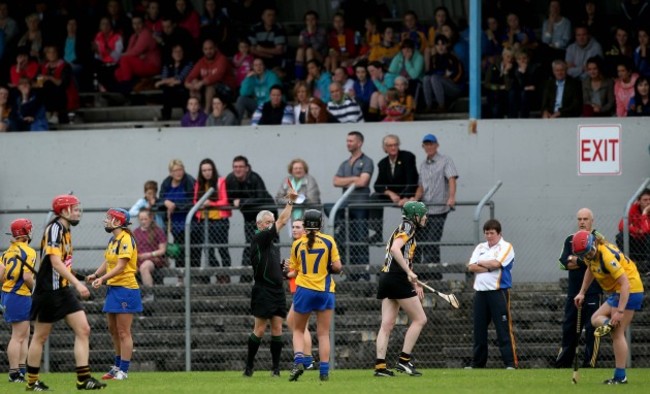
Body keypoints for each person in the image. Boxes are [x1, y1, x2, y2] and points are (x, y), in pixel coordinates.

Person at [26, 194, 106, 391]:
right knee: (40, 336)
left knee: (83, 329)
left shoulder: (66, 230)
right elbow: (54, 261)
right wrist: (77, 285)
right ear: (63, 211)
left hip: (61, 289)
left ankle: (83, 379)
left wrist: (79, 277)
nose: (78, 212)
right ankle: (32, 382)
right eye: (75, 209)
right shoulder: (55, 229)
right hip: (47, 291)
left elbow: (62, 264)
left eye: (79, 209)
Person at [573, 230, 645, 384]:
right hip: (618, 290)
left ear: (594, 244)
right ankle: (608, 325)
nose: (587, 256)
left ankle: (620, 377)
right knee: (595, 319)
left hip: (629, 289)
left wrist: (619, 312)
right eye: (583, 254)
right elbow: (590, 270)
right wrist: (582, 293)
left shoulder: (606, 256)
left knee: (617, 334)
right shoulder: (590, 255)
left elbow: (625, 283)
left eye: (588, 252)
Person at [243, 187, 297, 377]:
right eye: (269, 223)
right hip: (263, 290)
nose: (273, 225)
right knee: (259, 328)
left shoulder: (271, 246)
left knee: (277, 328)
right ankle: (249, 367)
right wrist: (290, 201)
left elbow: (271, 269)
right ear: (260, 225)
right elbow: (283, 220)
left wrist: (282, 269)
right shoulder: (259, 238)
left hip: (276, 290)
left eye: (272, 222)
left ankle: (276, 369)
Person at [374, 201, 428, 378]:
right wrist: (409, 272)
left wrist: (414, 282)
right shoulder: (408, 226)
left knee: (387, 325)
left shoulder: (403, 227)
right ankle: (404, 361)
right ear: (415, 216)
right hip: (397, 277)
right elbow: (396, 249)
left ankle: (380, 366)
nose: (426, 218)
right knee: (420, 319)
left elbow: (403, 256)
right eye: (424, 214)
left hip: (387, 277)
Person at [287, 209, 343, 382]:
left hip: (304, 290)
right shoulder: (328, 241)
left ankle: (298, 362)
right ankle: (324, 371)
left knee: (297, 329)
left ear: (305, 225)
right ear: (320, 224)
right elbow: (338, 267)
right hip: (325, 290)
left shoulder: (297, 244)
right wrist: (328, 268)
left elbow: (294, 271)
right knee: (323, 334)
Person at [86, 208, 141, 381]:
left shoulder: (126, 239)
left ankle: (123, 370)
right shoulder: (113, 239)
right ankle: (116, 367)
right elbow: (108, 261)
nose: (106, 221)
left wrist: (101, 279)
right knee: (113, 330)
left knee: (124, 331)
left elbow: (121, 266)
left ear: (118, 222)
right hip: (114, 288)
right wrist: (95, 274)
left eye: (109, 218)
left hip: (126, 289)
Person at [466, 219, 517, 369]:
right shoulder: (480, 247)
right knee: (479, 330)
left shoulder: (506, 247)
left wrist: (482, 263)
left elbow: (497, 264)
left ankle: (510, 363)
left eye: (492, 233)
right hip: (481, 293)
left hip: (498, 292)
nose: (489, 236)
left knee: (503, 328)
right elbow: (471, 267)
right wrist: (488, 266)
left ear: (499, 233)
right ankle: (478, 364)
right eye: (486, 233)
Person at [555, 208, 602, 368]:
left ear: (591, 221)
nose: (582, 222)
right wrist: (584, 261)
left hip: (593, 292)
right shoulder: (570, 239)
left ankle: (590, 364)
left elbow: (596, 262)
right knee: (569, 327)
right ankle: (563, 363)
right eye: (579, 219)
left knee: (592, 328)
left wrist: (577, 261)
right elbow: (562, 263)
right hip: (573, 292)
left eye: (585, 219)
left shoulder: (598, 239)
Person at [225, 155, 276, 282]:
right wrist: (235, 202)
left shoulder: (255, 178)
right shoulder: (230, 179)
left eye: (241, 166)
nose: (238, 169)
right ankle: (245, 279)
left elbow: (261, 197)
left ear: (247, 168)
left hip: (266, 216)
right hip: (249, 217)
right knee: (250, 246)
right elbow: (226, 197)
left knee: (268, 246)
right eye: (235, 167)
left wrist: (242, 201)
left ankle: (272, 278)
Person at [332, 131, 374, 281]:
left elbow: (363, 182)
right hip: (346, 209)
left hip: (361, 206)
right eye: (347, 141)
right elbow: (335, 181)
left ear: (359, 143)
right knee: (346, 240)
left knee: (361, 240)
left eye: (351, 141)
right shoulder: (345, 163)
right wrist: (355, 178)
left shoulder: (367, 161)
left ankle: (364, 273)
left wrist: (350, 180)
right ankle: (352, 274)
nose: (348, 143)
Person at [413, 134, 458, 272]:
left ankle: (431, 273)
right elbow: (421, 186)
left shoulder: (445, 160)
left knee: (432, 240)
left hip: (439, 209)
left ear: (437, 145)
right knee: (424, 241)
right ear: (423, 147)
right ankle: (434, 274)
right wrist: (414, 200)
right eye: (426, 144)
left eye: (431, 144)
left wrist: (451, 197)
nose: (429, 147)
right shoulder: (423, 165)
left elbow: (451, 178)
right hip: (424, 210)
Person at [0, 219, 36, 383]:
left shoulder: (7, 252)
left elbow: (1, 277)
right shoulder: (29, 251)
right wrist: (35, 288)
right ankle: (14, 373)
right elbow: (27, 276)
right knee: (17, 336)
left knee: (24, 334)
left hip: (8, 295)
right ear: (26, 232)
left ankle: (21, 369)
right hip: (19, 295)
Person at [369, 135, 418, 244]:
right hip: (394, 197)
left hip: (409, 195)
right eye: (390, 145)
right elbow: (377, 185)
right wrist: (389, 193)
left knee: (411, 206)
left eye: (395, 145)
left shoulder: (408, 157)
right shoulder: (383, 163)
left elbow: (412, 180)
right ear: (384, 148)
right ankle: (377, 232)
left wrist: (405, 197)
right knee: (374, 197)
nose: (393, 148)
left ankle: (409, 237)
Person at [283, 220, 314, 371]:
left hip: (303, 288)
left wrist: (286, 271)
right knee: (292, 322)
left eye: (298, 227)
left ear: (306, 230)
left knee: (300, 326)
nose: (294, 229)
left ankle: (308, 359)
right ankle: (308, 359)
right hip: (299, 289)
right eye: (293, 227)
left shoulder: (302, 244)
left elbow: (299, 270)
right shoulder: (299, 244)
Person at [192, 158, 232, 276]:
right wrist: (200, 204)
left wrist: (211, 204)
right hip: (204, 220)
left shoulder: (220, 181)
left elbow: (225, 201)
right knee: (208, 250)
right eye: (204, 170)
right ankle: (219, 273)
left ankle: (225, 275)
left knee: (222, 249)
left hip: (219, 220)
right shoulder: (199, 184)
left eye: (209, 169)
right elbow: (195, 201)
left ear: (213, 170)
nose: (207, 172)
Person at [156, 159, 198, 266]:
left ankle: (192, 277)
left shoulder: (189, 181)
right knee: (176, 251)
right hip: (172, 224)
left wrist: (175, 205)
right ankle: (180, 277)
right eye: (175, 170)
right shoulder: (166, 183)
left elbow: (193, 200)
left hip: (188, 223)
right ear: (170, 172)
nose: (178, 172)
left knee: (190, 252)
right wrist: (165, 202)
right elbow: (159, 200)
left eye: (180, 169)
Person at [184, 38, 236, 114]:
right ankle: (197, 112)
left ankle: (207, 113)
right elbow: (190, 77)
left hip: (227, 90)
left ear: (215, 48)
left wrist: (201, 83)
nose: (208, 51)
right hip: (209, 90)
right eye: (206, 49)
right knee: (194, 82)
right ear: (203, 50)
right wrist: (189, 85)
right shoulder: (201, 61)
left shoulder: (222, 59)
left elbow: (217, 76)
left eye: (210, 48)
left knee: (210, 84)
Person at [275, 158, 321, 229]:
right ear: (291, 170)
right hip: (290, 218)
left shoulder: (310, 180)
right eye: (295, 168)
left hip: (309, 217)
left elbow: (312, 200)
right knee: (295, 238)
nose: (298, 170)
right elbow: (278, 198)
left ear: (305, 170)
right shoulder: (286, 181)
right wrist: (294, 200)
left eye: (300, 168)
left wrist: (292, 200)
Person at [155, 44, 193, 121]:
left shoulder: (188, 63)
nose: (178, 54)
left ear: (183, 53)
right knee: (167, 91)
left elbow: (180, 79)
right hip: (171, 91)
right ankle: (166, 117)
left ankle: (188, 117)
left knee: (182, 91)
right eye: (175, 52)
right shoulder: (167, 64)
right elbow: (164, 78)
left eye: (180, 51)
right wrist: (170, 82)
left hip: (183, 90)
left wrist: (162, 82)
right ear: (172, 54)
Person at [132, 208, 166, 294]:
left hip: (152, 260)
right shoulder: (136, 232)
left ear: (150, 218)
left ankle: (149, 294)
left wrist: (149, 254)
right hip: (138, 259)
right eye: (141, 219)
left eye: (145, 219)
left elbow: (162, 250)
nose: (143, 221)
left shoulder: (158, 231)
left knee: (144, 267)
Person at [616, 188, 650, 263]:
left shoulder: (646, 211)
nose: (648, 202)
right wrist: (637, 231)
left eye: (649, 199)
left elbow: (646, 230)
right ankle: (626, 261)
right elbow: (621, 226)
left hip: (647, 244)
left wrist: (645, 213)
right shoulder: (633, 208)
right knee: (620, 236)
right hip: (636, 242)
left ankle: (647, 265)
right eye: (645, 200)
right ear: (639, 201)